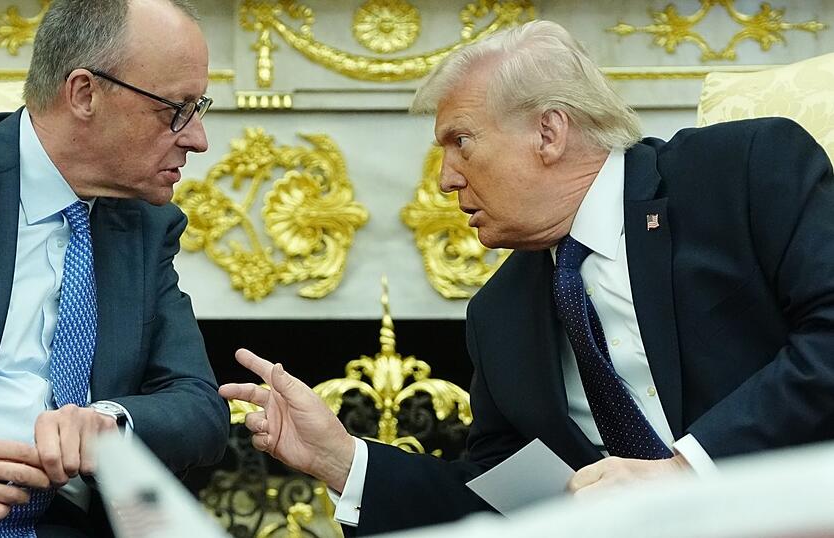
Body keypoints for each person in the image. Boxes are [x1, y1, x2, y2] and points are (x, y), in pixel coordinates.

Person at [219, 20, 834, 535]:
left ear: (549, 131)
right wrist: (342, 459)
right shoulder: (499, 311)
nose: (444, 179)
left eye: (460, 141)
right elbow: (501, 498)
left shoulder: (737, 171)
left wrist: (686, 471)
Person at [0, 0, 229, 536]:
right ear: (84, 93)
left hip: (67, 521)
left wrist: (111, 422)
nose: (197, 138)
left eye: (199, 107)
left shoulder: (144, 227)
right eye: (175, 110)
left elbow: (200, 408)